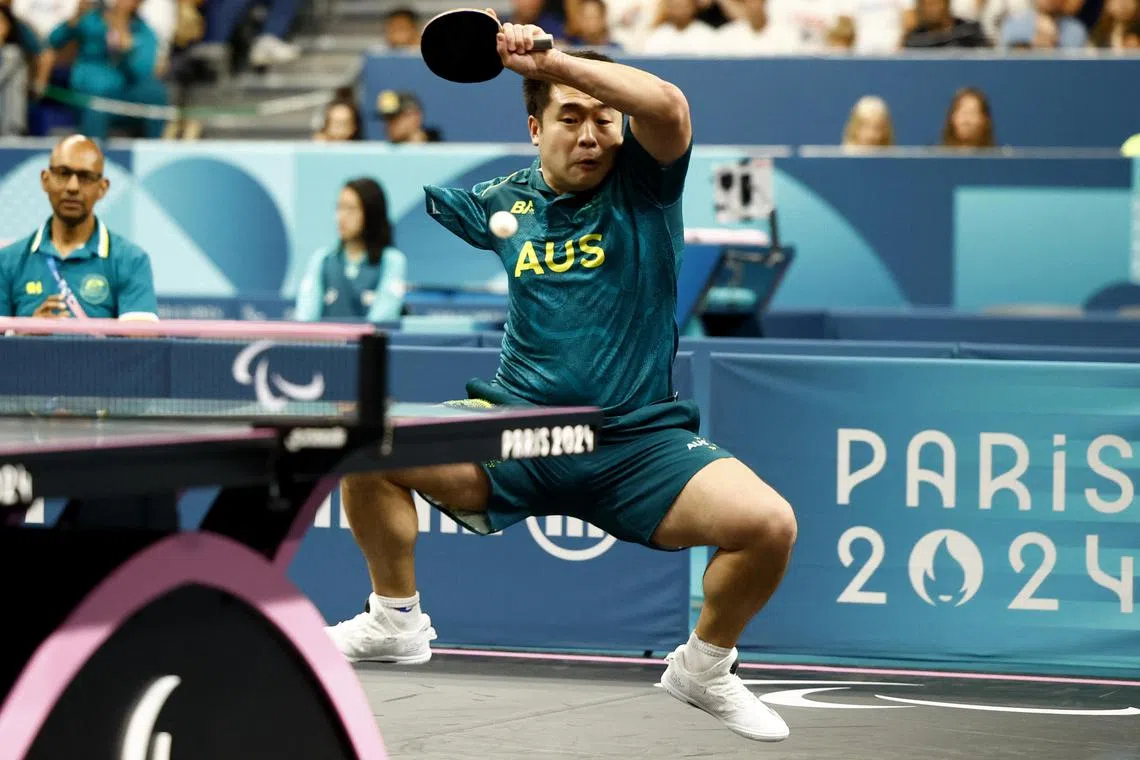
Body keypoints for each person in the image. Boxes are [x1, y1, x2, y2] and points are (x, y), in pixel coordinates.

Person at [325, 13, 798, 744]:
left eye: (603, 120)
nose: (590, 136)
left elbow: (668, 107)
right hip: (519, 433)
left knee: (767, 526)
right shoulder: (501, 201)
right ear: (533, 130)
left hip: (638, 445)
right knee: (370, 441)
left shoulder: (645, 183)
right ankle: (395, 619)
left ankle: (704, 669)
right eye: (569, 119)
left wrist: (554, 62)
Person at [0, 135, 158, 320]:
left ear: (103, 187)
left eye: (85, 177)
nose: (72, 187)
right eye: (63, 173)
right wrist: (25, 334)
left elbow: (141, 346)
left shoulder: (131, 261)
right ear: (45, 179)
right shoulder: (7, 261)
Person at [294, 178, 406, 323]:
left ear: (371, 213)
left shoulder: (392, 260)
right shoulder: (322, 259)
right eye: (339, 207)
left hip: (368, 346)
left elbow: (382, 319)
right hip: (326, 345)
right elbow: (305, 318)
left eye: (351, 209)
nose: (341, 217)